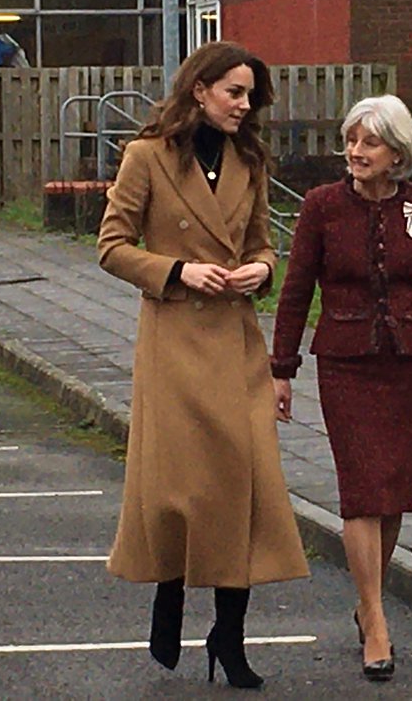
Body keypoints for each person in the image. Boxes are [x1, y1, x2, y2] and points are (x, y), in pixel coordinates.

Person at [97, 41, 309, 690]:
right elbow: (111, 245)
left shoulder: (249, 159)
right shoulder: (146, 157)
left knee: (242, 488)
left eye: (250, 96)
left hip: (236, 343)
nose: (245, 107)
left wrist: (262, 270)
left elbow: (264, 244)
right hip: (174, 343)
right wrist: (178, 270)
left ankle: (230, 636)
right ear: (200, 91)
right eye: (235, 93)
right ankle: (168, 598)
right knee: (177, 489)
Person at [271, 94, 412, 682]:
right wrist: (282, 367)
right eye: (351, 141)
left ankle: (368, 598)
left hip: (407, 364)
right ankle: (374, 619)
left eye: (369, 142)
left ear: (397, 152)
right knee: (360, 490)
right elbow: (296, 289)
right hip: (345, 363)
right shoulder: (323, 207)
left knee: (394, 492)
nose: (355, 152)